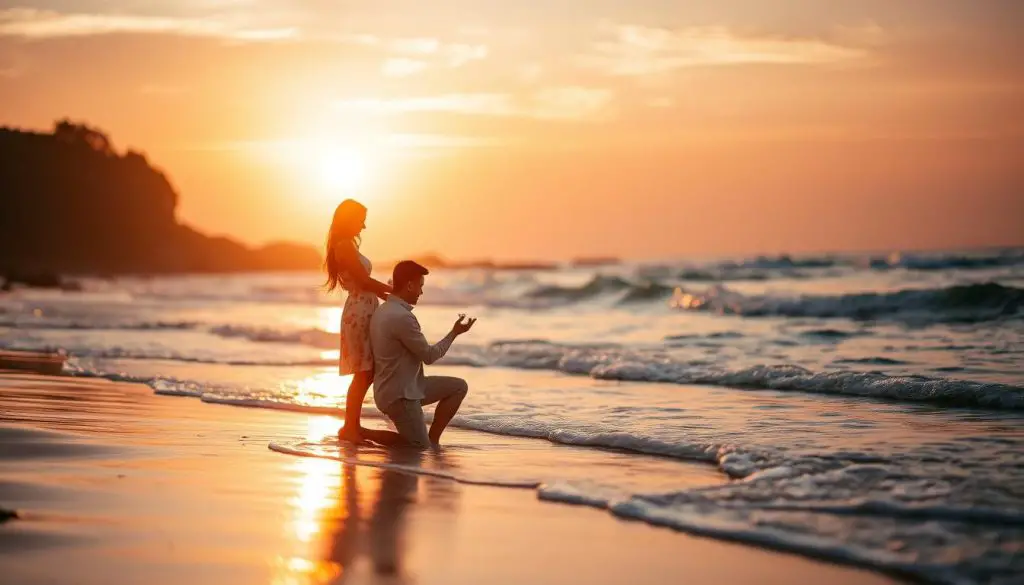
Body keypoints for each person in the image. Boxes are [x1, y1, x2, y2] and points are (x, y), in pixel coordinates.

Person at [370, 260, 476, 448]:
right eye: (420, 286)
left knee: (459, 387)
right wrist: (454, 333)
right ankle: (363, 433)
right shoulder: (402, 317)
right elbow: (429, 356)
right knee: (417, 448)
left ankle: (432, 440)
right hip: (400, 397)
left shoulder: (383, 309)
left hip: (402, 388)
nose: (421, 292)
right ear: (409, 285)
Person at [324, 199, 393, 444]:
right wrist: (393, 294)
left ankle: (352, 426)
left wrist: (388, 294)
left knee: (366, 371)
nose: (363, 226)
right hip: (359, 311)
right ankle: (350, 428)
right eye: (361, 220)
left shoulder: (346, 245)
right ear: (349, 219)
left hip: (364, 308)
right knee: (364, 372)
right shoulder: (343, 246)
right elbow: (363, 281)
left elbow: (365, 282)